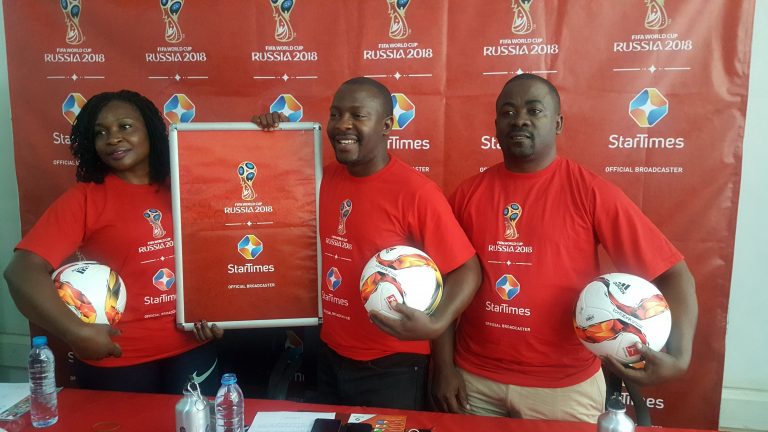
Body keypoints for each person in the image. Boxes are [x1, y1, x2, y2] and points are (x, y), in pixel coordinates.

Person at [431, 74, 698, 422]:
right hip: (473, 381)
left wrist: (679, 357)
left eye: (534, 110)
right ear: (496, 126)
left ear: (557, 123)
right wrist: (443, 367)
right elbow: (441, 283)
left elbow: (673, 274)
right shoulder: (468, 195)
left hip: (564, 388)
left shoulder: (589, 192)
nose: (520, 119)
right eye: (508, 112)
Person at [253, 77, 481, 410]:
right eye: (335, 114)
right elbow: (263, 194)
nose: (342, 125)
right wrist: (267, 138)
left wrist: (436, 331)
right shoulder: (320, 179)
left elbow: (465, 269)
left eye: (358, 115)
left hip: (392, 366)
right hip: (330, 354)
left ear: (387, 125)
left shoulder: (416, 193)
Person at [4, 90, 223, 395]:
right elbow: (21, 271)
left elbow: (221, 250)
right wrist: (76, 331)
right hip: (118, 358)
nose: (113, 138)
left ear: (151, 130)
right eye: (101, 132)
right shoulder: (86, 199)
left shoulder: (185, 186)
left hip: (193, 348)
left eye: (125, 126)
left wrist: (221, 311)